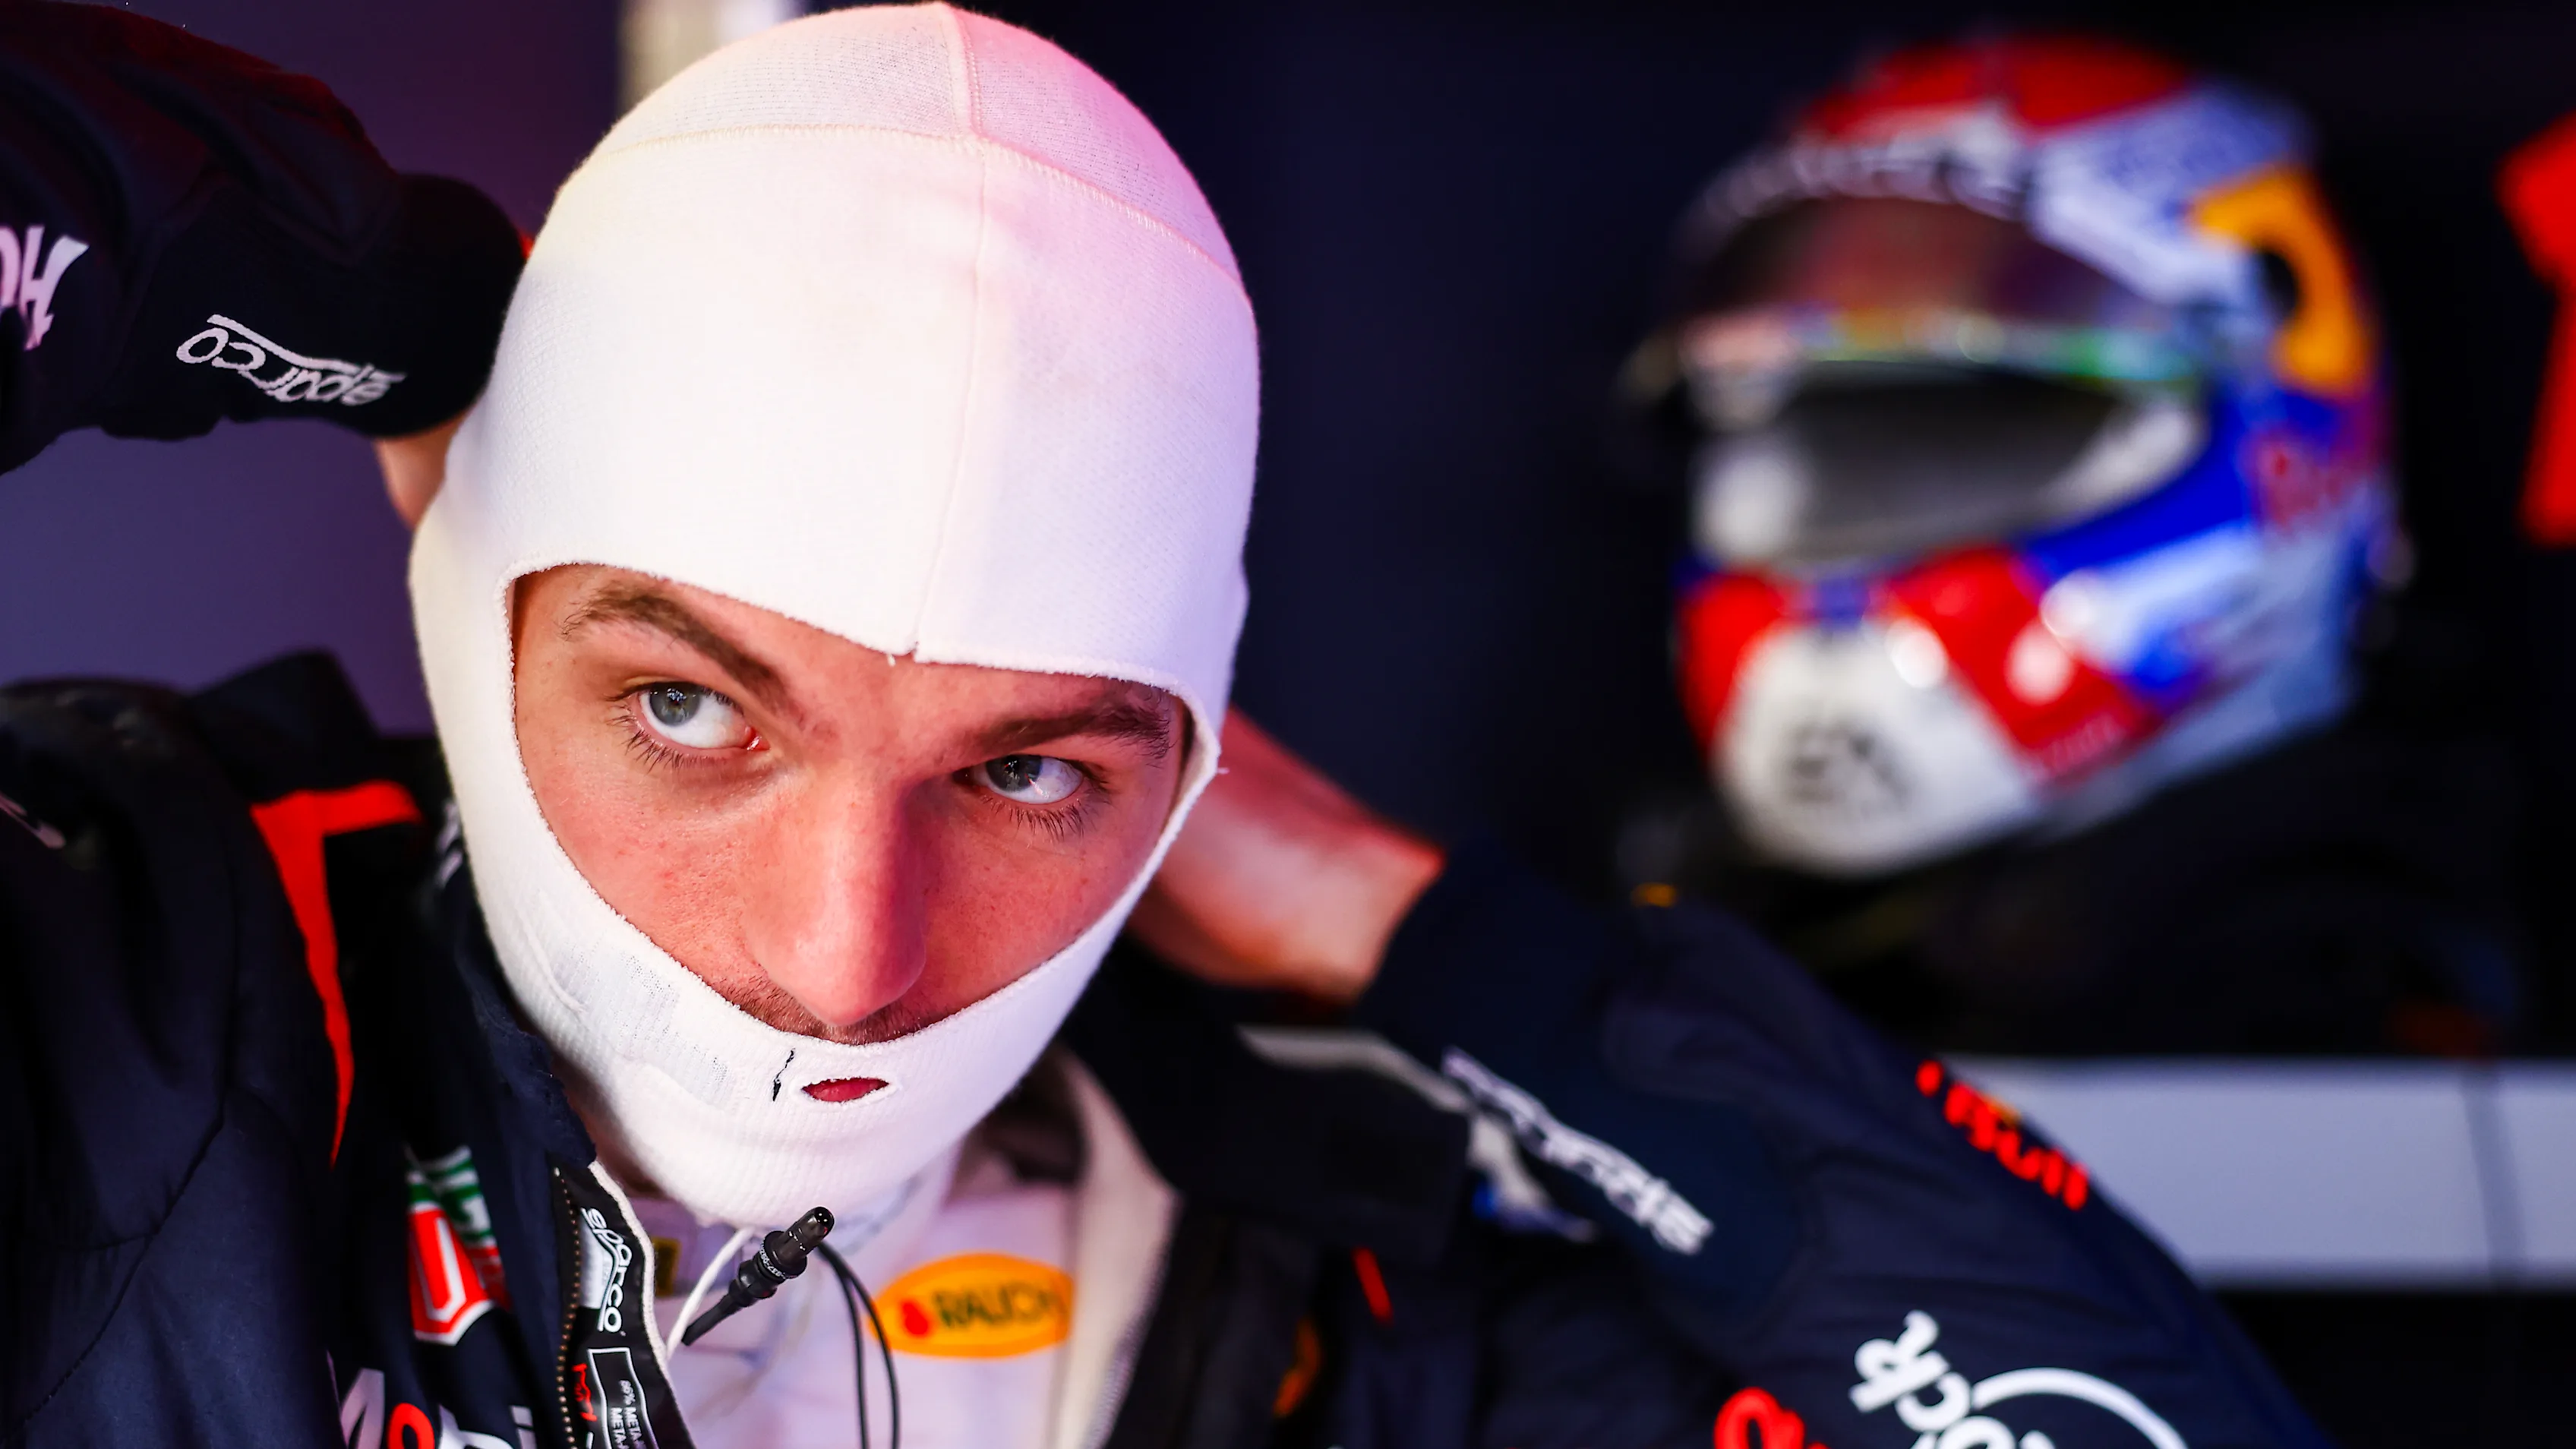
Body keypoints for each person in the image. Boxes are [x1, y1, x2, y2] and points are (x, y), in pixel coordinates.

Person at [2, 7, 2331, 1447]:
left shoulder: (1296, 1287)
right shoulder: (113, 998)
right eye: (697, 705)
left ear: (1195, 761)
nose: (844, 952)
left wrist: (1450, 956)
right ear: (472, 608)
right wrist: (345, 296)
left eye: (1027, 767)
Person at [1614, 34, 2524, 1056]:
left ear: (2277, 441)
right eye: (1836, 454)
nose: (1841, 536)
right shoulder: (1728, 917)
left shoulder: (2337, 980)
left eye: (1974, 443)